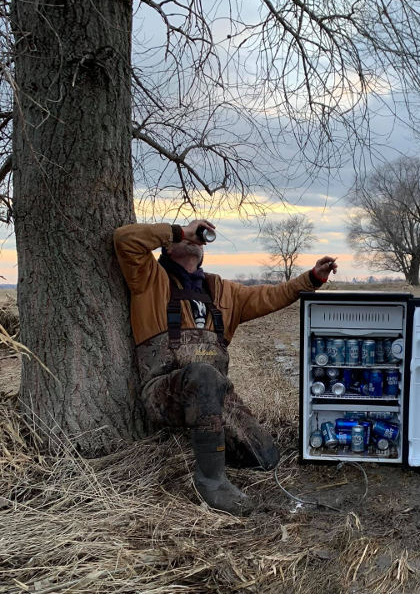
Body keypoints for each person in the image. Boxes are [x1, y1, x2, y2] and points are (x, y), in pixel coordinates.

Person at [114, 220, 337, 515]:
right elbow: (124, 239)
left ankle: (207, 442)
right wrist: (181, 231)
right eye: (185, 237)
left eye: (196, 238)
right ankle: (211, 482)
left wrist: (313, 278)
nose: (193, 239)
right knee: (204, 375)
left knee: (265, 456)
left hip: (217, 395)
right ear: (167, 246)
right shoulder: (148, 278)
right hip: (164, 391)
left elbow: (272, 295)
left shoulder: (222, 291)